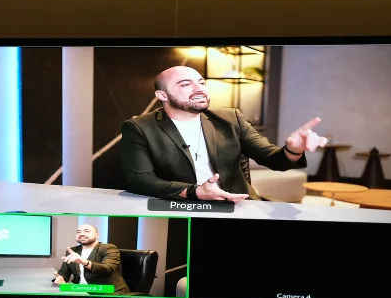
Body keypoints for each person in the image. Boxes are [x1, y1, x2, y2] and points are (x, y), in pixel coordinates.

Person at [120, 65, 327, 201]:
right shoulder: (139, 128)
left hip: (238, 205)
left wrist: (293, 150)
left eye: (201, 82)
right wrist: (195, 192)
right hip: (181, 207)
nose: (199, 88)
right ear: (162, 95)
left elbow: (271, 158)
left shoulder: (230, 118)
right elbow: (139, 180)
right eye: (186, 84)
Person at [53, 224, 130, 293]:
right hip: (80, 290)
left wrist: (84, 262)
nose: (81, 234)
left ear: (97, 235)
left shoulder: (109, 248)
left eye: (87, 231)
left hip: (106, 290)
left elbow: (107, 269)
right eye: (78, 232)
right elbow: (64, 272)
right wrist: (61, 277)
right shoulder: (73, 250)